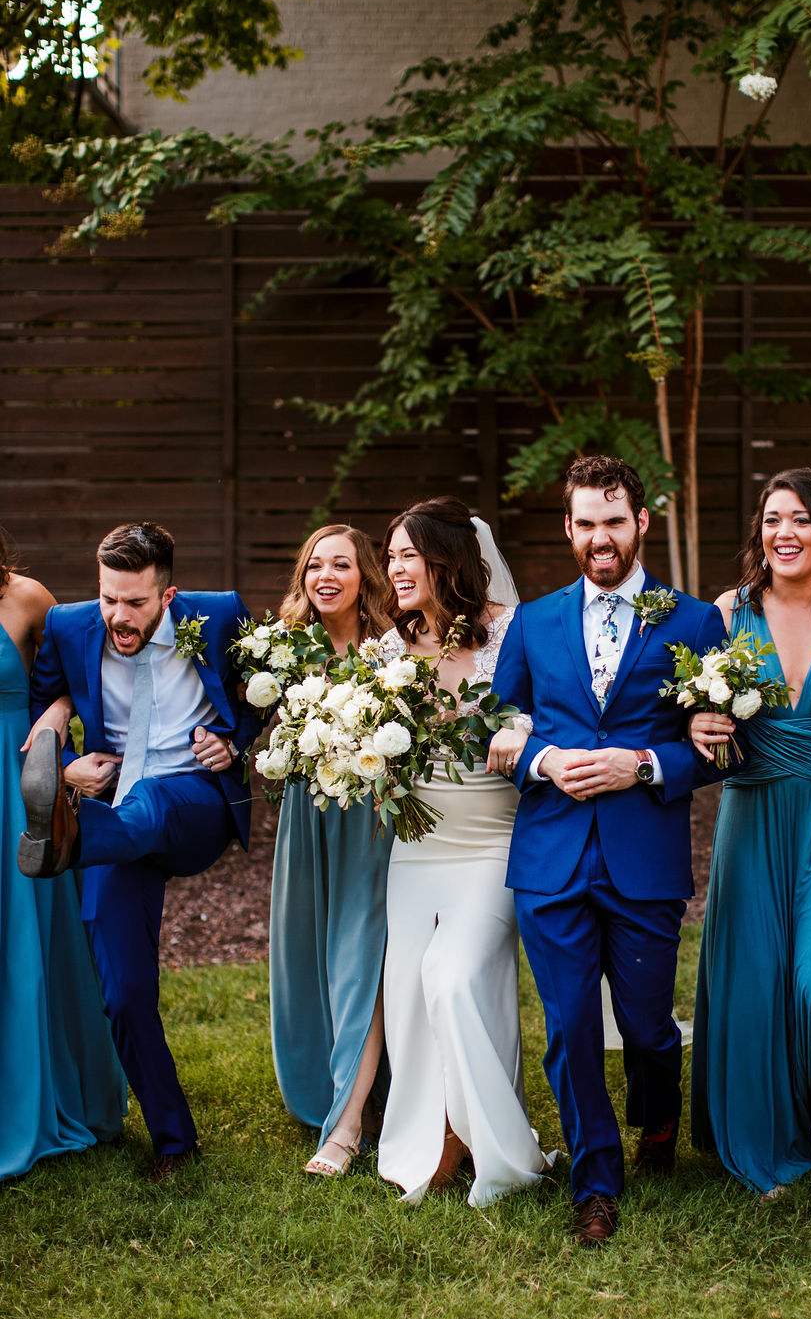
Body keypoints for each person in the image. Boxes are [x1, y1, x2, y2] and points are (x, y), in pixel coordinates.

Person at [489, 455, 727, 1246]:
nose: (600, 537)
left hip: (643, 856)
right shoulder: (534, 621)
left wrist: (647, 764)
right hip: (550, 856)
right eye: (586, 522)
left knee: (649, 1024)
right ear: (568, 528)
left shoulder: (692, 622)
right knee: (568, 1027)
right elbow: (496, 725)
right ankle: (597, 1182)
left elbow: (725, 747)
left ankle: (657, 1123)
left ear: (640, 525)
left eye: (614, 522)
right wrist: (540, 759)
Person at [18, 522, 264, 1179]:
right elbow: (41, 705)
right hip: (115, 818)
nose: (117, 616)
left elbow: (268, 694)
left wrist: (233, 740)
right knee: (123, 990)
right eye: (108, 599)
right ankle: (174, 1143)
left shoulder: (218, 616)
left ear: (169, 594)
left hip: (191, 805)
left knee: (149, 804)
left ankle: (69, 839)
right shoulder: (70, 628)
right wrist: (67, 769)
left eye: (134, 603)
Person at [687, 470, 811, 1198]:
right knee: (756, 979)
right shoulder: (726, 613)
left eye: (800, 519)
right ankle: (770, 1132)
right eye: (771, 520)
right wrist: (694, 723)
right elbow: (688, 707)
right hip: (752, 808)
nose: (784, 533)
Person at [376, 497, 555, 1208]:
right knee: (412, 998)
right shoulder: (389, 650)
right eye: (389, 556)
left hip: (494, 844)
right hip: (416, 848)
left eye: (405, 555)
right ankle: (439, 1132)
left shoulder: (513, 632)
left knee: (453, 977)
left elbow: (556, 704)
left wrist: (526, 726)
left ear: (446, 558)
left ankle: (500, 1144)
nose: (392, 569)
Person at [268, 524, 395, 1178]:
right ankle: (343, 1088)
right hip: (306, 818)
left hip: (370, 820)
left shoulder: (390, 650)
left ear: (363, 576)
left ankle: (345, 1127)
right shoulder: (286, 649)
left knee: (362, 957)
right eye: (314, 563)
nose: (325, 575)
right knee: (309, 952)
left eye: (340, 564)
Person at [0, 529, 124, 1180]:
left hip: (13, 795)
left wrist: (54, 721)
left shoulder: (25, 600)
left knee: (24, 943)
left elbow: (83, 669)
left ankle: (40, 1101)